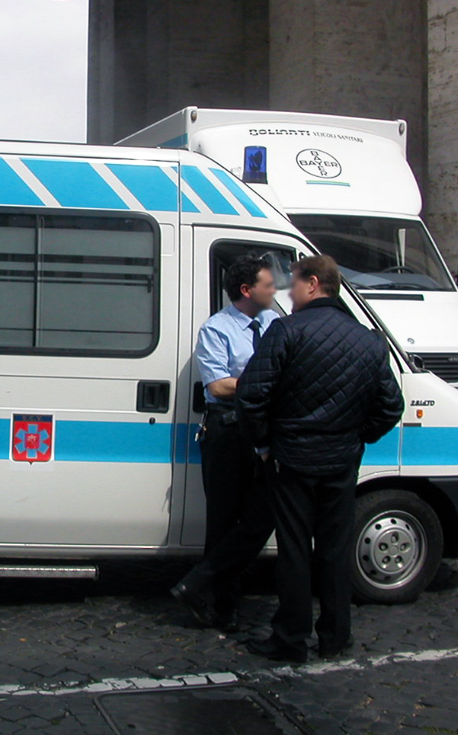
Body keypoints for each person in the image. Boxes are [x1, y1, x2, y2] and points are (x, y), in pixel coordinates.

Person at [236, 254, 404, 662]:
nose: (287, 293)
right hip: (341, 459)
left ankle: (291, 638)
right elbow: (390, 406)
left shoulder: (286, 331)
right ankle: (335, 637)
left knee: (294, 551)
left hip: (291, 458)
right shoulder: (368, 339)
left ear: (313, 285)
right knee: (333, 551)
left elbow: (251, 395)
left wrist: (264, 443)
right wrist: (356, 438)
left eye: (292, 284)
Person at [171, 252, 280, 631]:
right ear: (248, 290)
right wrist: (267, 381)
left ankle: (199, 583)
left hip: (263, 429)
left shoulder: (274, 322)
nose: (275, 289)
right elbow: (217, 385)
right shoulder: (216, 329)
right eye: (268, 284)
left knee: (259, 517)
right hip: (228, 431)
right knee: (222, 520)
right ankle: (222, 606)